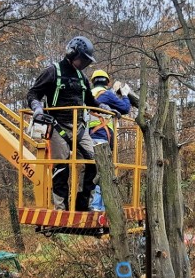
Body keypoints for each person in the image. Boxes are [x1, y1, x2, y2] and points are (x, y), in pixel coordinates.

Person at [26, 36, 117, 211]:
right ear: (72, 53)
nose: (84, 64)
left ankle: (83, 203)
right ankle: (61, 207)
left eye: (86, 61)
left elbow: (90, 101)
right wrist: (37, 108)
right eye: (82, 59)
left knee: (97, 160)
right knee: (61, 165)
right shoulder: (53, 71)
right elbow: (33, 93)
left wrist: (104, 107)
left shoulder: (82, 78)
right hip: (57, 126)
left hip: (79, 126)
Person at [87, 69, 131, 147]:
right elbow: (125, 108)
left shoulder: (88, 94)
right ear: (107, 82)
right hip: (101, 133)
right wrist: (124, 94)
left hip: (86, 134)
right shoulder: (107, 94)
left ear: (93, 82)